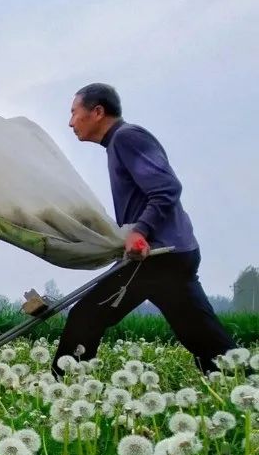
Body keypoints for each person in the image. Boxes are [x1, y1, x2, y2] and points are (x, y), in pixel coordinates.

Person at [52, 83, 233, 376]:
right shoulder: (117, 144)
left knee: (86, 316)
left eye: (74, 112)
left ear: (97, 112)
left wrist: (140, 231)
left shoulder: (127, 137)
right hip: (171, 253)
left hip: (157, 254)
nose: (71, 122)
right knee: (202, 335)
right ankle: (240, 384)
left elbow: (166, 189)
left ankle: (66, 387)